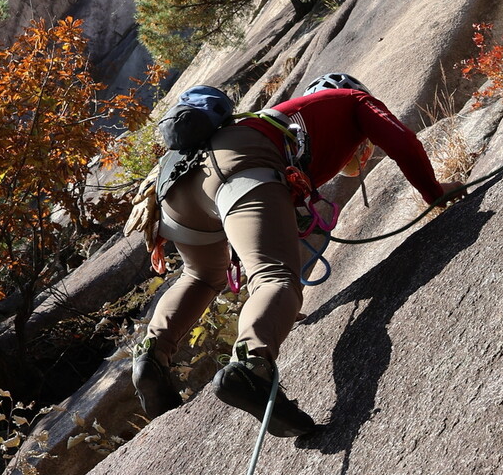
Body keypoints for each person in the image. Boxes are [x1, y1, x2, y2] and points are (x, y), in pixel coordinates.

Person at [131, 73, 464, 436]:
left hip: (173, 184)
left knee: (199, 276)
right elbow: (402, 141)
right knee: (274, 278)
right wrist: (434, 192)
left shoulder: (281, 123)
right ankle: (251, 368)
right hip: (237, 164)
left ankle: (152, 355)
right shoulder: (352, 100)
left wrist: (278, 311)